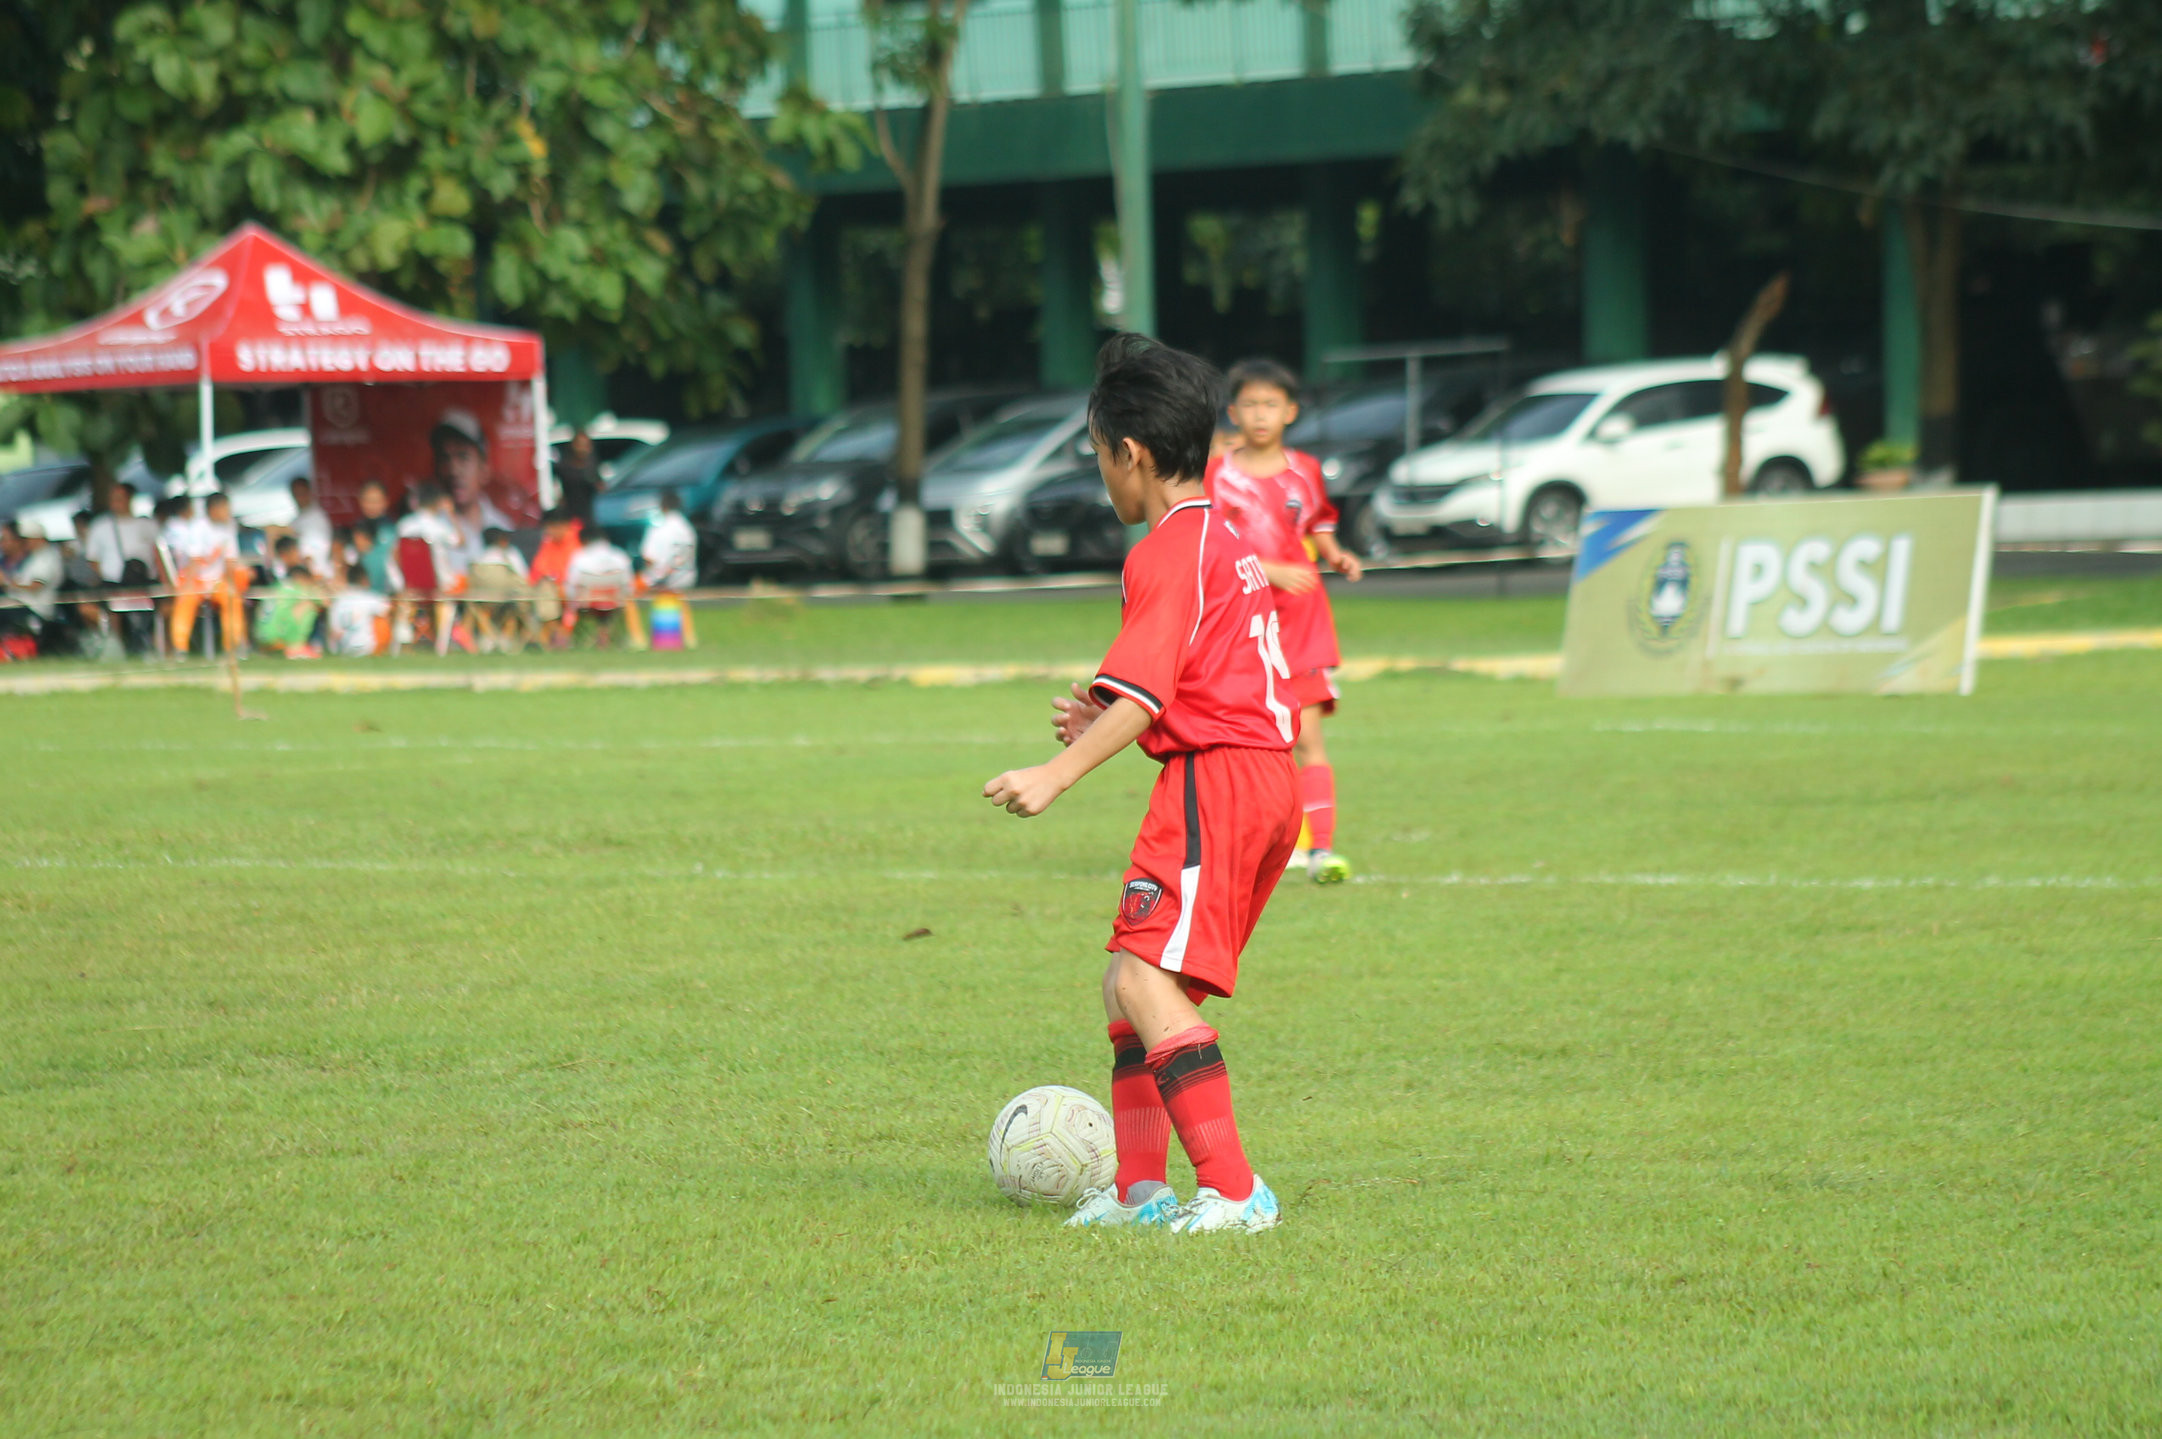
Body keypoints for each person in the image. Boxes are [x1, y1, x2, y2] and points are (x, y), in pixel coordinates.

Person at [983, 334, 1299, 1234]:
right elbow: (1190, 686)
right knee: (1128, 976)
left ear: (1134, 454)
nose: (1102, 480)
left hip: (1221, 786)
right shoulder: (1224, 538)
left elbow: (1150, 687)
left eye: (1099, 459)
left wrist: (1059, 769)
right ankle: (1139, 1190)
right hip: (1251, 777)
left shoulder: (1165, 549)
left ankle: (1236, 1191)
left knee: (1148, 981)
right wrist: (1124, 723)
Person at [1205, 358, 1364, 884]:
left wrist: (1336, 555)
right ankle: (1259, 844)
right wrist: (1268, 568)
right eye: (1249, 404)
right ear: (1233, 412)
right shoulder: (1218, 474)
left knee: (1306, 739)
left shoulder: (1306, 470)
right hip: (1242, 625)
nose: (1260, 414)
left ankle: (1321, 848)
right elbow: (1209, 542)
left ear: (1290, 412)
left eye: (1270, 404)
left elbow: (1318, 523)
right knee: (1247, 742)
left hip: (1301, 622)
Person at [431, 409, 538, 533]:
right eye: (445, 458)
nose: (453, 470)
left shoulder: (502, 528)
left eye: (463, 458)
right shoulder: (428, 529)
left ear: (483, 469)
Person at [169, 492, 249, 654]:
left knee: (232, 598)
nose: (228, 512)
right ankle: (180, 647)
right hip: (194, 578)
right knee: (187, 599)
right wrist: (189, 586)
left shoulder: (228, 527)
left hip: (217, 580)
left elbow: (230, 560)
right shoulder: (198, 528)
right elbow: (194, 560)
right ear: (214, 509)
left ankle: (233, 646)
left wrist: (231, 584)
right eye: (225, 509)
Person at [1, 520, 63, 652]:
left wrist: (6, 582)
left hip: (35, 609)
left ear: (37, 538)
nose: (25, 543)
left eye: (27, 539)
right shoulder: (35, 557)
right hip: (21, 604)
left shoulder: (47, 558)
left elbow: (35, 586)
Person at [638, 488, 697, 592]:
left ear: (662, 507)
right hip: (687, 580)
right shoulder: (688, 529)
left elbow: (649, 558)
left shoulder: (659, 528)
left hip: (663, 582)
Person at [327, 563, 391, 657]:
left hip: (344, 648)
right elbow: (387, 608)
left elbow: (334, 630)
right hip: (367, 647)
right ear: (364, 579)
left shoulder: (338, 601)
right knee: (382, 619)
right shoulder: (369, 597)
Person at [286, 476, 335, 577]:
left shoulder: (318, 518)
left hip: (318, 574)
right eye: (296, 494)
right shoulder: (298, 518)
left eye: (302, 493)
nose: (299, 498)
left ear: (310, 493)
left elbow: (315, 553)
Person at [556, 427, 600, 523]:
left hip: (591, 517)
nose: (582, 449)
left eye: (586, 445)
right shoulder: (564, 468)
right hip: (570, 517)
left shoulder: (592, 467)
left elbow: (600, 489)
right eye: (580, 445)